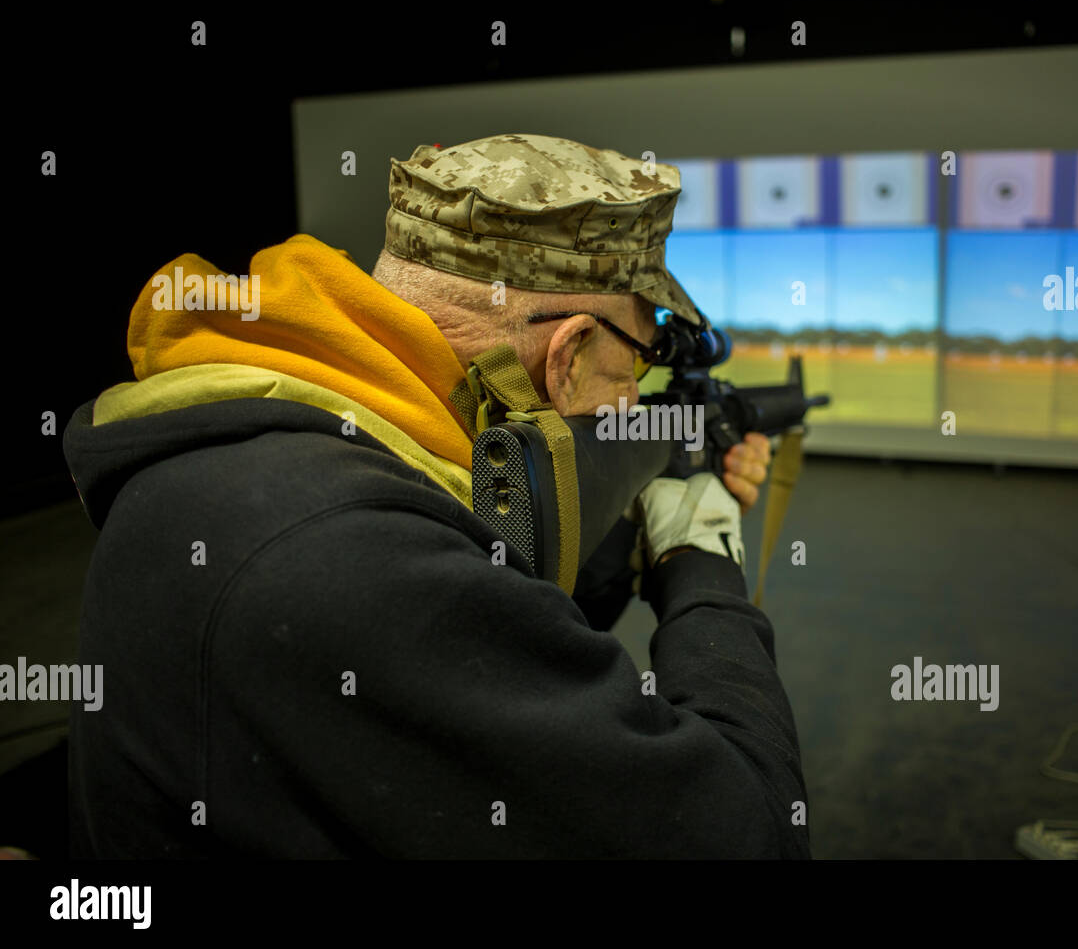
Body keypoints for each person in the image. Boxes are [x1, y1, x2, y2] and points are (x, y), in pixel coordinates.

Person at [62, 133, 811, 858]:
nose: (631, 403)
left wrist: (633, 531)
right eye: (637, 369)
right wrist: (700, 557)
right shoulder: (358, 554)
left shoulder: (276, 427)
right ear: (570, 352)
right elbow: (753, 829)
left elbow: (508, 610)